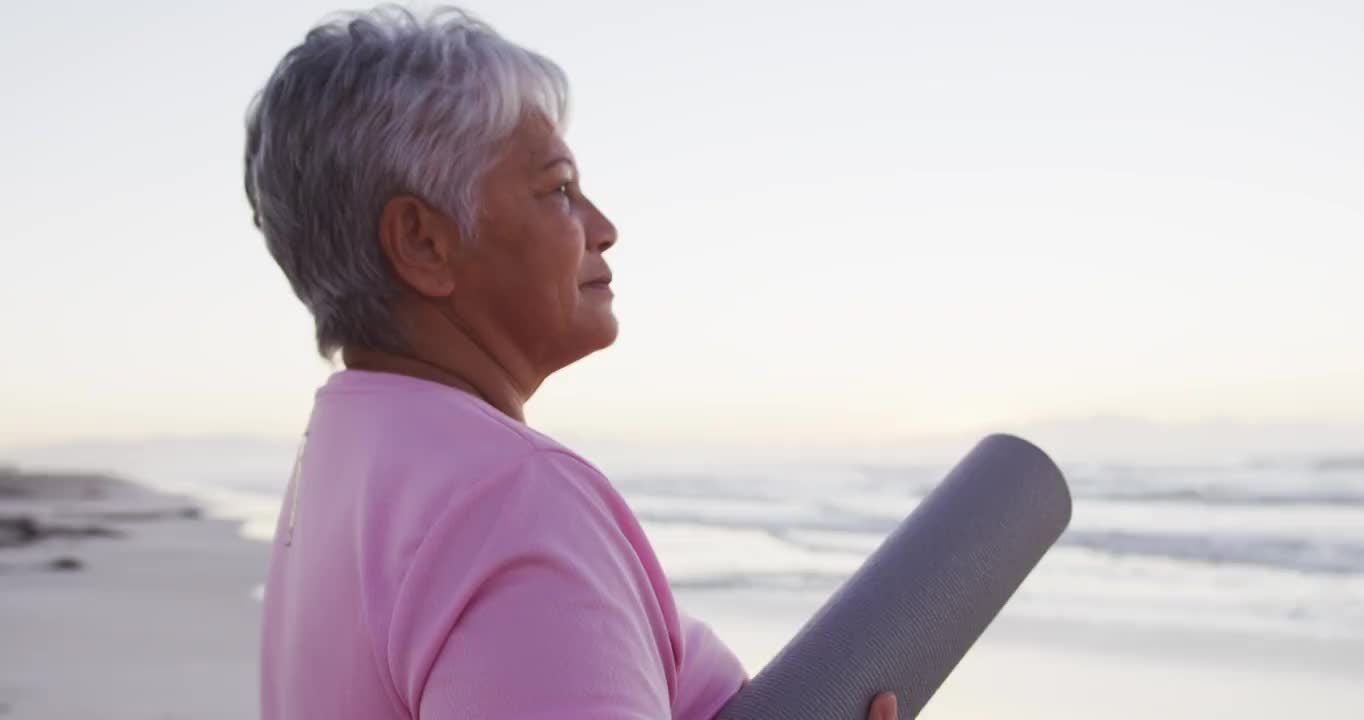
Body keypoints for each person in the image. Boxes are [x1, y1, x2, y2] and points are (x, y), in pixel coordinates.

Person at [245, 6, 898, 719]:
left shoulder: (350, 455)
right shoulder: (510, 500)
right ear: (423, 242)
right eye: (558, 189)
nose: (604, 229)